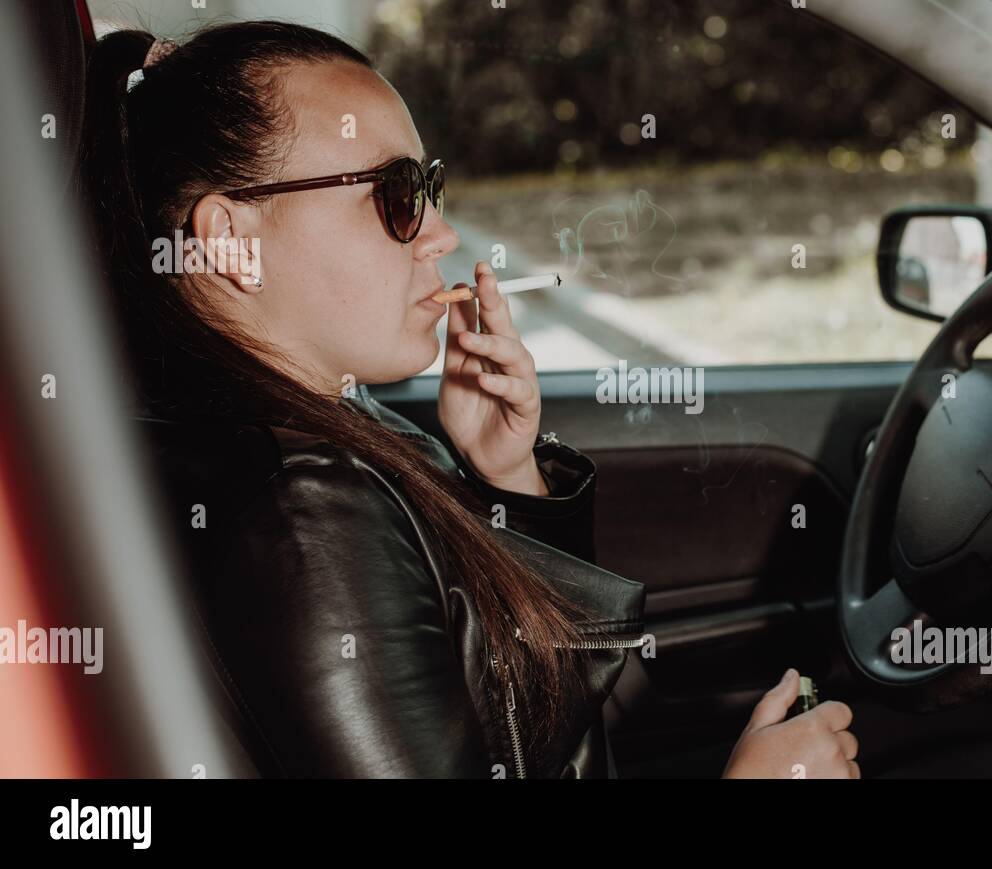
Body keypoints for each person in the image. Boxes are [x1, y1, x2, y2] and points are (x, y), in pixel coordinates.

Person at [78, 20, 859, 779]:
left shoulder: (310, 430)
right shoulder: (308, 507)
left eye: (430, 185)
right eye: (396, 193)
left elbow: (535, 725)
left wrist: (508, 480)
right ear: (228, 239)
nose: (442, 235)